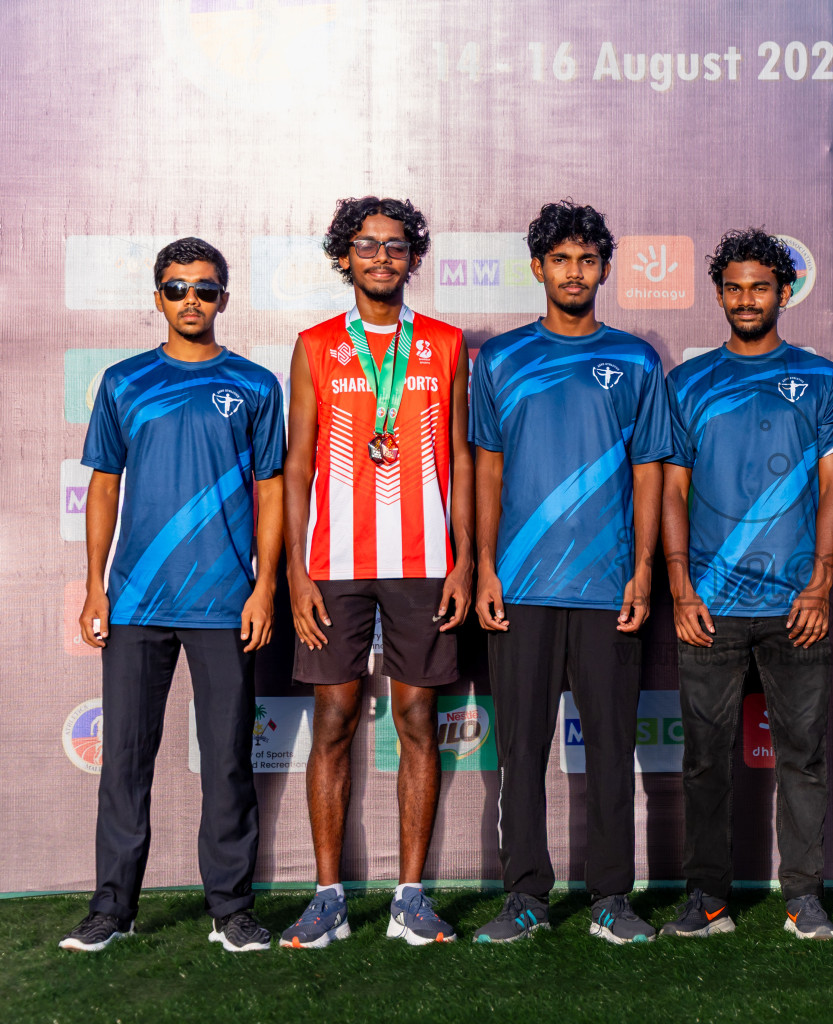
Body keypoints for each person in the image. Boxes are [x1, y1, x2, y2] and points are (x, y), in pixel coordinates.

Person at [61, 238, 284, 953]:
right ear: (157, 297)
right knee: (124, 761)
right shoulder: (124, 382)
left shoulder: (255, 385)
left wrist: (266, 587)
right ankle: (112, 910)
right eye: (178, 288)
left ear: (225, 298)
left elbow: (273, 491)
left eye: (205, 288)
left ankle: (232, 911)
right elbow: (103, 486)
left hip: (225, 603)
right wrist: (94, 586)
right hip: (136, 602)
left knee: (228, 762)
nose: (192, 299)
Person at [470, 201, 672, 945]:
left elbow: (650, 473)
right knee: (521, 752)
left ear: (605, 269)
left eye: (587, 260)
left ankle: (612, 898)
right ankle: (525, 895)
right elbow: (486, 472)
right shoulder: (500, 359)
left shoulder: (637, 360)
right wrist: (483, 567)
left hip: (607, 586)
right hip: (521, 585)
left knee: (612, 750)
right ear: (538, 268)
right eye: (560, 259)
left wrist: (643, 570)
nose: (575, 272)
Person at [281, 197, 472, 948]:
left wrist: (464, 560)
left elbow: (461, 459)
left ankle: (410, 898)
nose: (382, 257)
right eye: (366, 245)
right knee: (333, 719)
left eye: (395, 246)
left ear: (413, 257)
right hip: (333, 566)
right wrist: (296, 572)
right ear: (344, 257)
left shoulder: (446, 344)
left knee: (418, 720)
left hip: (425, 564)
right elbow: (298, 465)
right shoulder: (317, 345)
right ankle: (327, 896)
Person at [659, 229, 833, 940]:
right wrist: (681, 588)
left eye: (760, 287)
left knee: (803, 756)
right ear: (718, 295)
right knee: (705, 760)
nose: (747, 300)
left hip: (797, 603)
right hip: (708, 604)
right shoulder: (687, 382)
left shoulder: (821, 379)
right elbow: (671, 492)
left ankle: (804, 897)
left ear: (784, 293)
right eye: (734, 288)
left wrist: (820, 584)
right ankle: (706, 898)